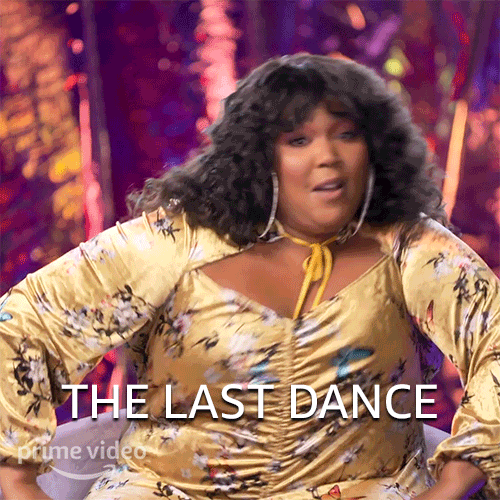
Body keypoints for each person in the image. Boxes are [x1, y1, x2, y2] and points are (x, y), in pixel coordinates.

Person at [0, 53, 498, 500]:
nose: (328, 156)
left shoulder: (410, 247)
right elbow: (24, 326)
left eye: (347, 134)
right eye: (298, 140)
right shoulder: (174, 240)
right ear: (257, 157)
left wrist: (454, 482)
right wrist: (17, 480)